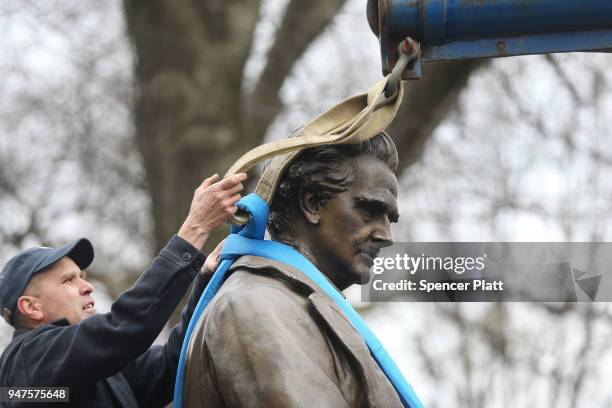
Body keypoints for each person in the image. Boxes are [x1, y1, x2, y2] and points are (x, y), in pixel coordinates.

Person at [183, 133, 405, 407]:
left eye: (390, 220)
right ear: (312, 203)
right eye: (369, 210)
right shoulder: (257, 304)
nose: (386, 235)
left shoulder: (294, 307)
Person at [0, 172, 247, 408]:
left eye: (83, 277)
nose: (87, 287)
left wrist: (206, 279)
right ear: (31, 307)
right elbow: (125, 326)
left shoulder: (105, 371)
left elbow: (178, 361)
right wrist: (195, 228)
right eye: (68, 280)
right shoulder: (26, 364)